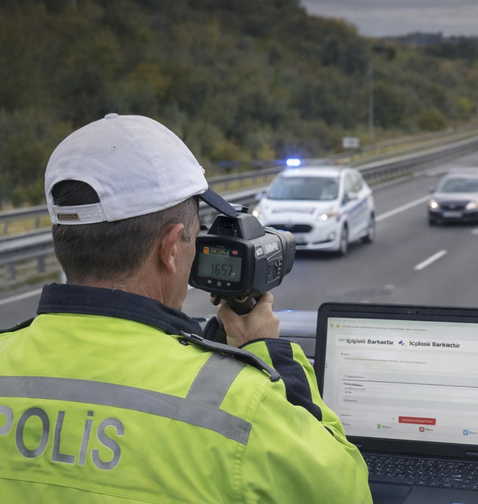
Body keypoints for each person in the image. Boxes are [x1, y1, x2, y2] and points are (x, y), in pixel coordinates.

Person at [0, 113, 373, 503]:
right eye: (195, 238)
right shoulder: (243, 409)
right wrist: (269, 354)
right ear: (171, 248)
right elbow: (346, 489)